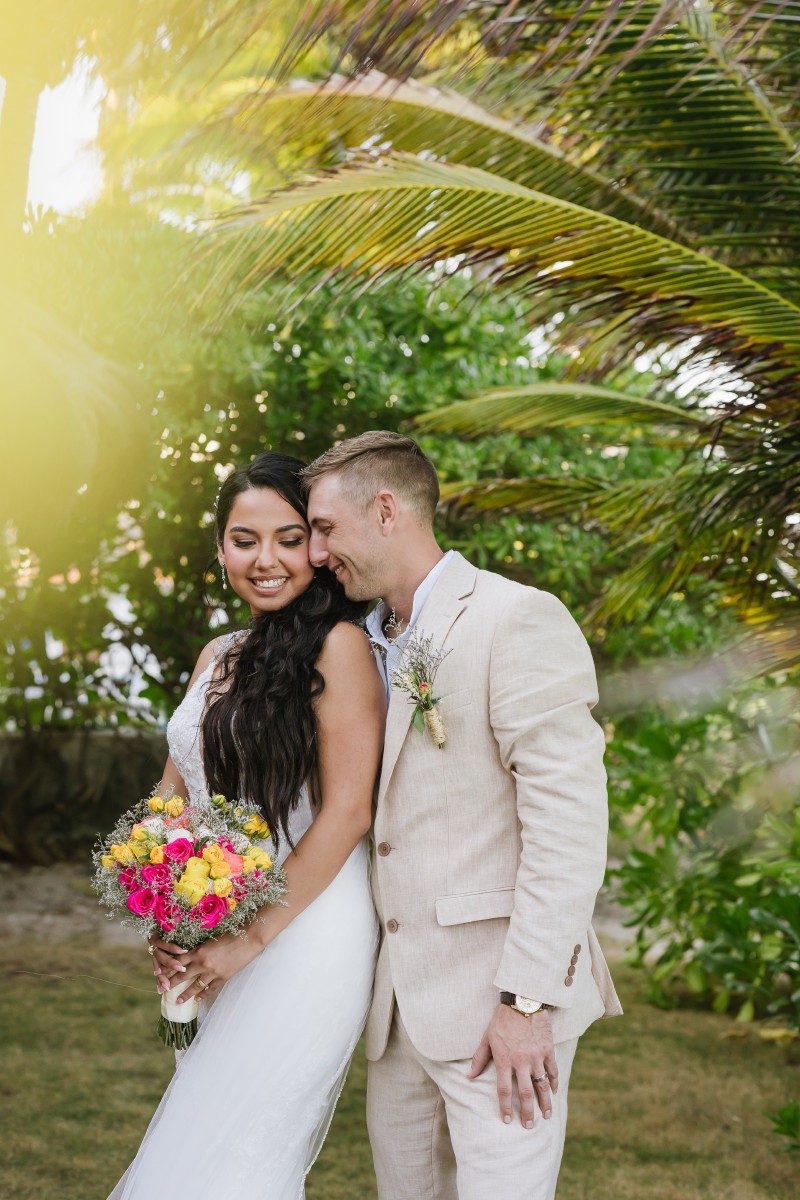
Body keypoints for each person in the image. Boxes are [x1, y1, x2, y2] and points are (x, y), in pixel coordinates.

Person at [303, 431, 622, 1200]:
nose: (315, 553)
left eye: (323, 528)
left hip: (498, 1010)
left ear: (386, 510)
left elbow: (569, 826)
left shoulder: (516, 618)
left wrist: (525, 1004)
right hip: (398, 1010)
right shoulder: (364, 642)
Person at [108, 452, 384, 1200]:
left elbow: (349, 810)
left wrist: (249, 939)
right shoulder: (216, 655)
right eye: (244, 539)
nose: (266, 560)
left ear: (318, 546)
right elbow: (174, 797)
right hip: (216, 923)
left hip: (307, 929)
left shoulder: (341, 648)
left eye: (289, 538)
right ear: (220, 547)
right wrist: (163, 908)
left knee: (242, 1149)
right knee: (205, 1137)